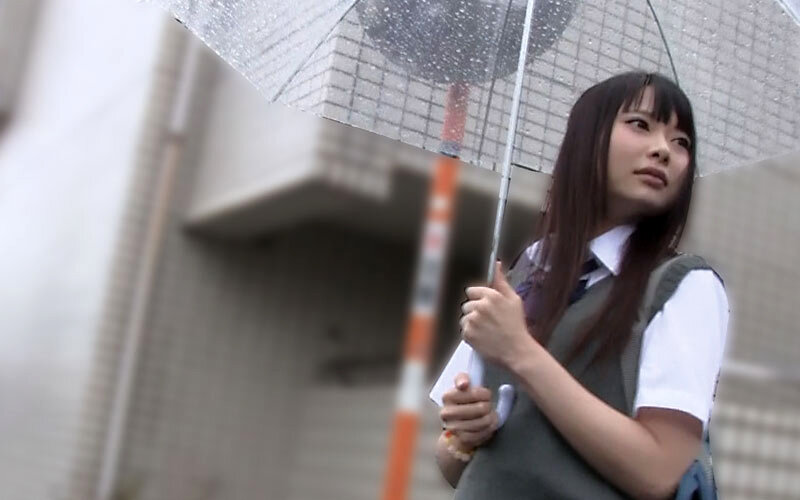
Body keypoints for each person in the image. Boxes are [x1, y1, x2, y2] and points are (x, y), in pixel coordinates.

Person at [428, 71, 729, 499]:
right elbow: (452, 464)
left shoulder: (684, 286)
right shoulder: (525, 276)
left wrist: (521, 352)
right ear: (587, 139)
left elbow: (659, 471)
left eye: (682, 142)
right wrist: (463, 435)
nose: (664, 149)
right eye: (640, 124)